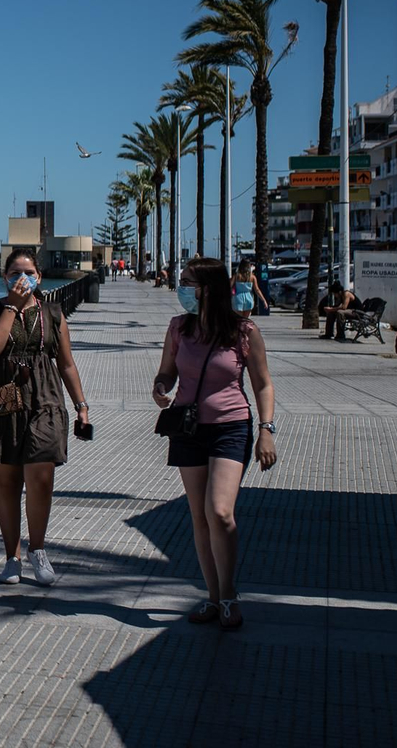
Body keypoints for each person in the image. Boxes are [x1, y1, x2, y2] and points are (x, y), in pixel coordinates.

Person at [152, 256, 278, 629]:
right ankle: (213, 597)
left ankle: (229, 593)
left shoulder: (244, 332)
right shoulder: (179, 328)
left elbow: (263, 383)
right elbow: (166, 372)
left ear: (208, 288)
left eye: (188, 281)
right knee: (199, 517)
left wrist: (267, 429)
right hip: (188, 429)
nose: (183, 288)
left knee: (220, 512)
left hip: (231, 426)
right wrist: (161, 387)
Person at [0, 249, 89, 586]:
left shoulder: (52, 313)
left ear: (40, 276)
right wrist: (11, 307)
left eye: (29, 272)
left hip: (45, 396)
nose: (22, 279)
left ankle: (38, 548)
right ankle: (12, 556)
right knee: (7, 482)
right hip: (4, 395)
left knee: (41, 475)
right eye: (15, 273)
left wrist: (81, 404)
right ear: (4, 277)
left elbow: (66, 362)